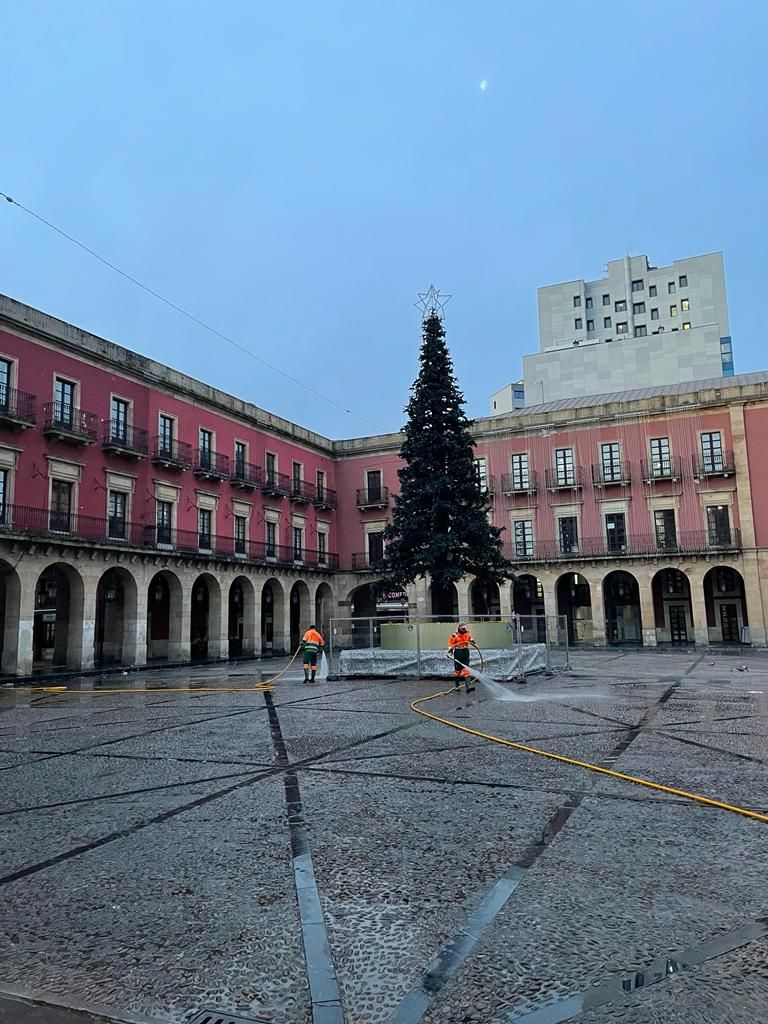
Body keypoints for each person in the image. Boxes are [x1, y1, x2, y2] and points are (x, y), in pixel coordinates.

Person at [448, 623, 476, 692]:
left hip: (465, 652)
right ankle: (457, 687)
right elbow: (451, 644)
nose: (464, 629)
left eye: (464, 628)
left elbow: (471, 639)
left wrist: (475, 644)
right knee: (458, 670)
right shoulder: (454, 635)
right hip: (458, 653)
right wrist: (450, 652)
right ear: (459, 628)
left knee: (466, 670)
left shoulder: (467, 633)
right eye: (462, 628)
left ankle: (468, 687)